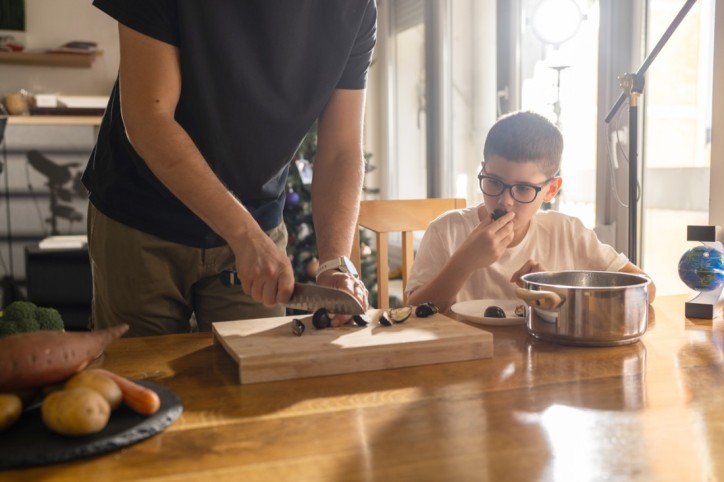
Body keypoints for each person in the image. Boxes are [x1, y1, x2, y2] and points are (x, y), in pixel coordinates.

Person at [82, 1, 376, 336]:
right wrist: (245, 235)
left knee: (257, 380)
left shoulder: (356, 8)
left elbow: (341, 152)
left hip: (257, 226)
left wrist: (335, 263)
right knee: (141, 383)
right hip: (141, 219)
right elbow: (149, 120)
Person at [406, 111, 656, 311]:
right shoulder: (446, 231)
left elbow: (646, 289)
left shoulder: (567, 233)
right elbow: (413, 312)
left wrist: (559, 288)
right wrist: (464, 262)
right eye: (493, 182)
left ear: (551, 189)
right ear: (483, 170)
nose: (504, 201)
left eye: (523, 189)